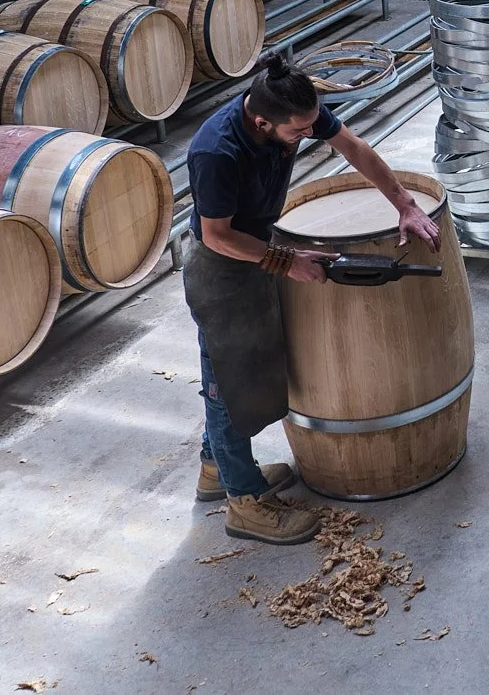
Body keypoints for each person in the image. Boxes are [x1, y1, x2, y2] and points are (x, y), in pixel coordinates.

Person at [185, 55, 442, 544]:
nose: (309, 134)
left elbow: (353, 147)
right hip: (221, 269)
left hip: (255, 248)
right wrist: (284, 259)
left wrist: (404, 204)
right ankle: (245, 502)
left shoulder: (291, 108)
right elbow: (217, 237)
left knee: (241, 373)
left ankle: (216, 467)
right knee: (227, 384)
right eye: (299, 132)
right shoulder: (216, 152)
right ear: (262, 122)